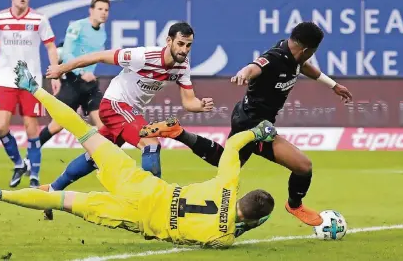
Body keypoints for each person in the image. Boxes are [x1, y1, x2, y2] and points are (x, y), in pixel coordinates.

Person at [0, 61, 276, 248]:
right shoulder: (223, 238)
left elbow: (233, 146)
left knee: (85, 132)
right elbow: (226, 230)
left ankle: (34, 88)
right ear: (256, 220)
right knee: (62, 201)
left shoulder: (228, 184)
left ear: (243, 194)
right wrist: (244, 225)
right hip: (137, 216)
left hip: (140, 185)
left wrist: (257, 132)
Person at [140, 22, 353, 227]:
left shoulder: (294, 54)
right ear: (308, 49)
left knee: (231, 161)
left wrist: (333, 85)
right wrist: (244, 73)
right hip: (251, 124)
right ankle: (294, 205)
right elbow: (256, 66)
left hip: (258, 122)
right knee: (300, 166)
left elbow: (305, 67)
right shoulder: (275, 58)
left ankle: (179, 132)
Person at [41, 22, 214, 219]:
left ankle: (52, 191)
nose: (184, 50)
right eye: (181, 44)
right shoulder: (143, 56)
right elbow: (99, 56)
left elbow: (188, 101)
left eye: (188, 45)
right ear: (169, 41)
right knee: (150, 143)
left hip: (128, 112)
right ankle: (152, 207)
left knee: (96, 155)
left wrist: (200, 105)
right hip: (115, 104)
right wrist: (61, 69)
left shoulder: (182, 66)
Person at [0, 0, 60, 188]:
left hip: (30, 81)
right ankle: (18, 163)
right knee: (1, 127)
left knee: (31, 130)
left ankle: (34, 177)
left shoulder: (39, 19)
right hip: (5, 79)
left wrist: (56, 73)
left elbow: (51, 47)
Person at [39, 0, 109, 147]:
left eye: (106, 10)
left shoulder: (102, 33)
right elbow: (67, 54)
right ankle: (31, 154)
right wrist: (83, 72)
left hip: (90, 84)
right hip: (73, 80)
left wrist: (90, 73)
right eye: (100, 9)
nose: (103, 13)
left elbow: (94, 57)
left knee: (103, 125)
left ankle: (103, 162)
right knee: (56, 126)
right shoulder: (77, 26)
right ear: (91, 11)